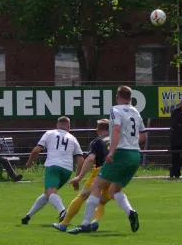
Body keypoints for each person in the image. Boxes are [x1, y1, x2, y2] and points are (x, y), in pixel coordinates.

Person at [68, 85, 145, 234]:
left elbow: (116, 129)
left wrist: (112, 151)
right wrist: (132, 143)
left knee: (96, 186)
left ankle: (85, 224)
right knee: (113, 189)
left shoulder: (115, 110)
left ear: (117, 97)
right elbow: (143, 135)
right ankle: (130, 212)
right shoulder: (136, 111)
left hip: (121, 153)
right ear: (130, 98)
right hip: (135, 155)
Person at [21, 116, 84, 225]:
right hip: (67, 170)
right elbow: (81, 159)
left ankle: (63, 211)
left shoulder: (50, 133)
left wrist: (30, 162)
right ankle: (28, 216)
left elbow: (36, 150)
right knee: (48, 193)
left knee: (50, 192)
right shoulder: (73, 138)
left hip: (53, 166)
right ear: (68, 127)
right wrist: (77, 177)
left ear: (57, 126)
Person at [52, 119, 112, 232]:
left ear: (97, 130)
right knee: (101, 201)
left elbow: (90, 159)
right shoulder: (116, 140)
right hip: (115, 172)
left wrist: (79, 176)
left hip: (101, 171)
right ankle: (95, 222)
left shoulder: (97, 141)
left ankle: (64, 224)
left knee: (82, 196)